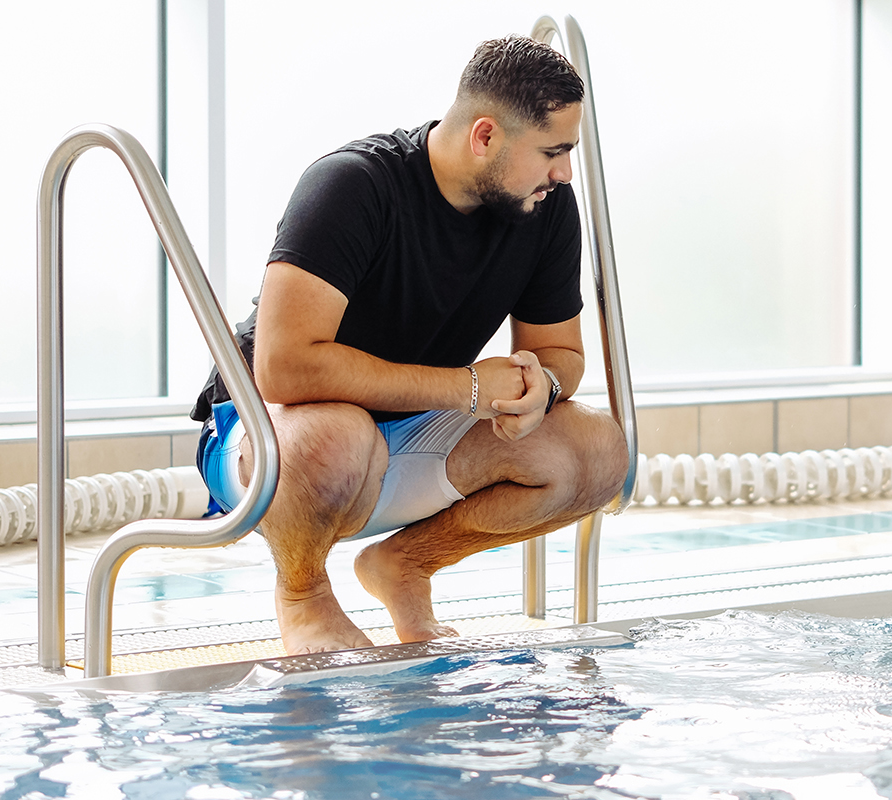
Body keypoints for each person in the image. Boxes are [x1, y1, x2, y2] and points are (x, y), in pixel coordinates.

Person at [190, 36, 627, 655]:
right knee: (336, 437)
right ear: (485, 137)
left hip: (403, 440)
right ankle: (303, 594)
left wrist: (541, 388)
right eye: (553, 152)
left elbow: (561, 351)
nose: (564, 172)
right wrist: (468, 387)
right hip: (271, 440)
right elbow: (283, 370)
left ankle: (404, 565)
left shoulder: (544, 208)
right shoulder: (352, 185)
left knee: (598, 451)